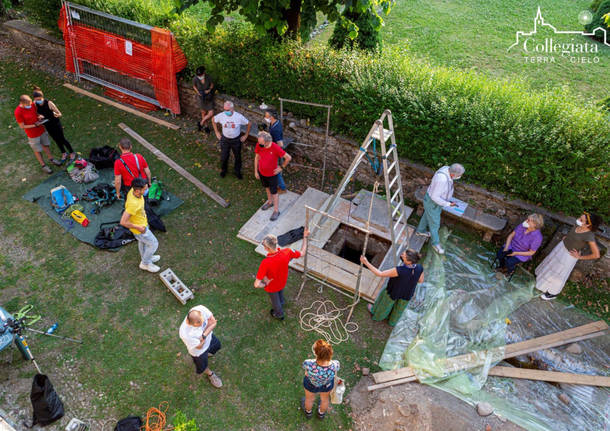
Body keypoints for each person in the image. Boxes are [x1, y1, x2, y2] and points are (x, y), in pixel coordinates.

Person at [536, 212, 602, 301]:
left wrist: (579, 257)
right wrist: (567, 238)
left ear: (588, 225)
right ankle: (542, 281)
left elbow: (596, 254)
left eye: (581, 220)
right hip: (561, 248)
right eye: (579, 217)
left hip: (568, 256)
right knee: (551, 264)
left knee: (559, 274)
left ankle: (552, 293)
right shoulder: (577, 225)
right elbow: (573, 235)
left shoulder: (589, 235)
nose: (578, 220)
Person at [254, 229, 309, 320]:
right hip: (282, 281)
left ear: (266, 248)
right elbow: (302, 253)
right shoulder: (287, 252)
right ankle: (282, 301)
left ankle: (279, 314)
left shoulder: (265, 263)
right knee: (280, 293)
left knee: (275, 302)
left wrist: (265, 283)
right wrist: (305, 236)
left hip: (272, 286)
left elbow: (256, 284)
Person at [360, 249, 424, 326]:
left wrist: (366, 262)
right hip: (407, 293)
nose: (402, 255)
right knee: (399, 308)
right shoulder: (419, 268)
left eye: (403, 256)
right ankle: (392, 322)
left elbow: (380, 274)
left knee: (385, 305)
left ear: (409, 261)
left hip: (394, 290)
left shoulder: (399, 270)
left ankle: (378, 316)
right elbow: (420, 280)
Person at [415, 163, 465, 254]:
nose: (460, 177)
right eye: (459, 175)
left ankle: (420, 231)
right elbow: (435, 197)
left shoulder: (447, 168)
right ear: (453, 174)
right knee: (435, 224)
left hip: (433, 202)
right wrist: (448, 204)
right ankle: (435, 244)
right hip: (433, 203)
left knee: (427, 215)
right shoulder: (442, 180)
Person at [120, 178, 160, 273]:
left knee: (143, 242)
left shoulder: (133, 191)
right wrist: (138, 227)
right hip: (140, 229)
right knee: (154, 244)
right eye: (145, 189)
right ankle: (145, 263)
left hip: (143, 223)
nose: (147, 190)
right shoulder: (133, 204)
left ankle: (147, 257)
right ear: (138, 190)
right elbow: (123, 222)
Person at [14, 95, 61, 174]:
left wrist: (39, 116)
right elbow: (22, 126)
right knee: (37, 150)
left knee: (46, 145)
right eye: (27, 105)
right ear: (22, 103)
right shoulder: (18, 112)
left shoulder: (32, 104)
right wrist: (34, 125)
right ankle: (43, 165)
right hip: (32, 134)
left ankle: (51, 159)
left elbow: (36, 113)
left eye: (30, 103)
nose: (30, 105)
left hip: (41, 130)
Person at [179, 305, 223, 388]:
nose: (203, 323)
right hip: (199, 352)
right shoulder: (185, 334)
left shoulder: (200, 309)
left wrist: (203, 335)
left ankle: (208, 354)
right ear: (191, 323)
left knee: (217, 346)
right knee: (202, 366)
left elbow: (213, 322)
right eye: (199, 323)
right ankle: (211, 375)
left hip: (209, 338)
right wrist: (208, 327)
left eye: (202, 320)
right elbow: (199, 346)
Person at [254, 131, 292, 221]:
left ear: (267, 142)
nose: (259, 144)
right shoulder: (259, 145)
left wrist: (281, 167)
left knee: (274, 192)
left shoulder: (275, 147)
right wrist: (256, 171)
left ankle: (276, 211)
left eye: (261, 143)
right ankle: (270, 202)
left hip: (272, 175)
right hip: (262, 173)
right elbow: (256, 157)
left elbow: (288, 158)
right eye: (259, 142)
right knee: (267, 188)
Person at [32, 88, 76, 163]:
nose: (38, 101)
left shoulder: (49, 103)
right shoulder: (35, 104)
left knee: (62, 139)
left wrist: (56, 114)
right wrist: (40, 117)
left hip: (55, 123)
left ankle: (72, 152)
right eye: (36, 100)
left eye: (39, 99)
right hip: (47, 125)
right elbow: (38, 113)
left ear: (42, 97)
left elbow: (59, 113)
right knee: (56, 140)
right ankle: (63, 153)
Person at [301, 339, 340, 420]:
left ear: (316, 353)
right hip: (326, 385)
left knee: (309, 399)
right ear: (330, 353)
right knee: (324, 399)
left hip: (311, 384)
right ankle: (321, 414)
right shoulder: (335, 364)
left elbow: (306, 373)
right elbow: (336, 371)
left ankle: (308, 413)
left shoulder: (308, 363)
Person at [212, 101, 251, 179]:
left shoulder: (239, 117)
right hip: (225, 139)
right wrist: (217, 132)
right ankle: (224, 170)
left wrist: (246, 135)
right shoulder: (222, 115)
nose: (225, 112)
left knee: (237, 156)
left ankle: (237, 172)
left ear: (232, 109)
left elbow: (249, 123)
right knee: (224, 157)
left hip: (236, 140)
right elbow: (213, 120)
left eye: (227, 110)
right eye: (224, 109)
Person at [264, 109, 287, 194]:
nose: (265, 117)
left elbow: (280, 144)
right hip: (271, 149)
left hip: (275, 152)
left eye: (266, 116)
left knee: (275, 170)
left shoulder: (276, 129)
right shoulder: (274, 123)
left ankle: (282, 187)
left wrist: (272, 150)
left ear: (271, 117)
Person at [192, 66, 215, 133]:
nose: (200, 76)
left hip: (209, 96)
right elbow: (194, 86)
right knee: (203, 112)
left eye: (201, 74)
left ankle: (201, 123)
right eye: (198, 75)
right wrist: (197, 92)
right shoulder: (195, 79)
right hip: (201, 97)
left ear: (204, 72)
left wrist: (209, 90)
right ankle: (206, 127)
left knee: (211, 113)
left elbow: (212, 85)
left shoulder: (208, 77)